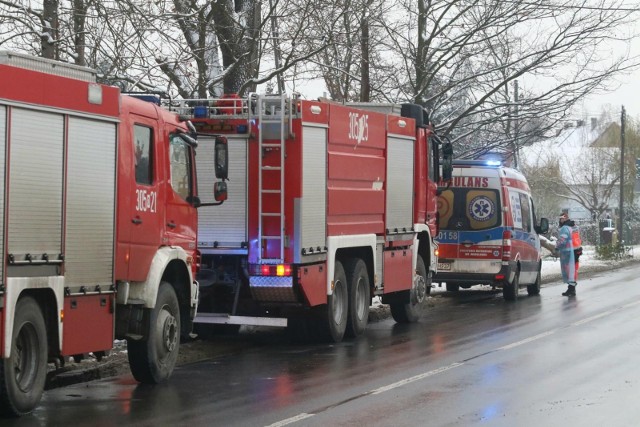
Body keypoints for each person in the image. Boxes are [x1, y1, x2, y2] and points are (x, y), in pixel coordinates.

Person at [555, 213, 581, 296]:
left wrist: (557, 246)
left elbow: (563, 240)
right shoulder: (573, 226)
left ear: (564, 219)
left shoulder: (565, 228)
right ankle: (571, 288)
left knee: (569, 270)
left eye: (561, 219)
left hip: (568, 251)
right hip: (576, 250)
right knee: (573, 270)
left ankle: (571, 289)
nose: (560, 221)